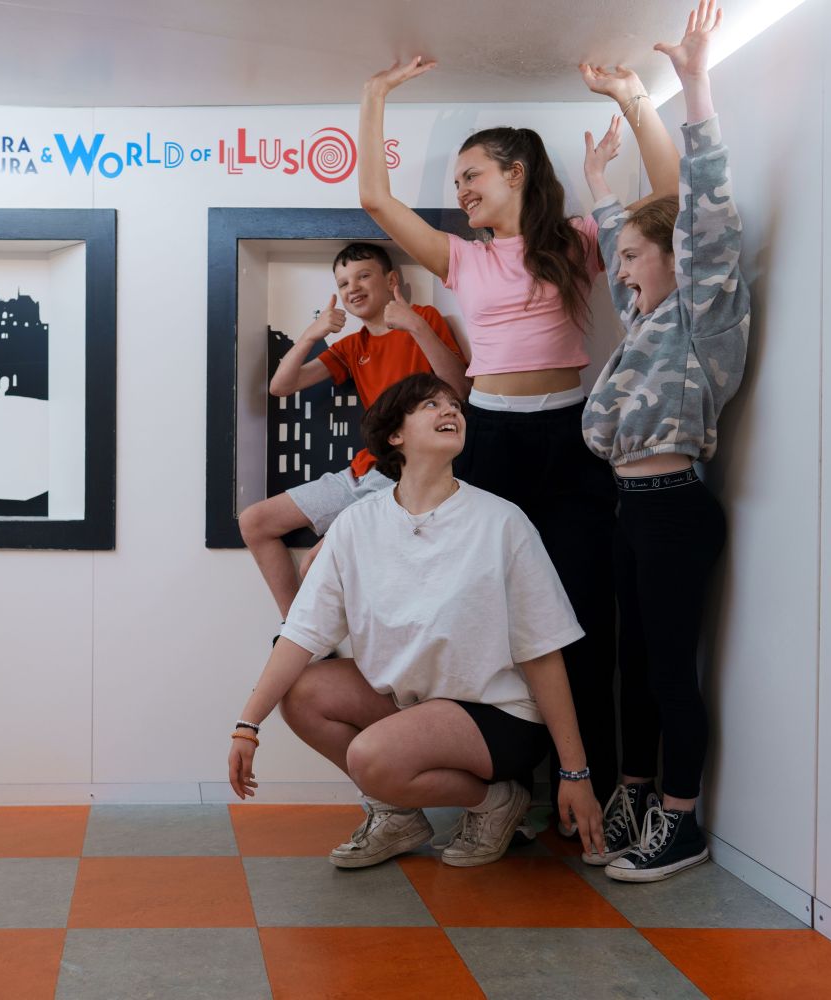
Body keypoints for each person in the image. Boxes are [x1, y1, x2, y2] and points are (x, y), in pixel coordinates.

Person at [355, 51, 681, 819]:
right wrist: (375, 92)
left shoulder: (577, 240)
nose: (461, 190)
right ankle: (513, 791)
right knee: (486, 620)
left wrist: (632, 96)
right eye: (456, 180)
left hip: (571, 442)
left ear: (517, 173)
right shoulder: (461, 257)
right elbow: (374, 198)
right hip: (492, 444)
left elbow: (670, 198)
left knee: (584, 621)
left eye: (472, 174)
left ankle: (593, 792)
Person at [228, 373, 606, 869]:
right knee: (301, 693)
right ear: (394, 435)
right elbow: (302, 633)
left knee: (371, 756)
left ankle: (497, 802)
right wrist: (247, 725)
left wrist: (575, 772)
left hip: (499, 713)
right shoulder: (357, 524)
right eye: (431, 404)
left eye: (455, 405)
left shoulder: (501, 521)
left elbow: (543, 651)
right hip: (414, 706)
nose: (450, 410)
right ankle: (397, 816)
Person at [578, 0, 747, 882]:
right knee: (633, 668)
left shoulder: (701, 314)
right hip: (631, 510)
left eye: (639, 258)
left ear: (678, 262)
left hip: (675, 508)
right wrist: (599, 188)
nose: (625, 273)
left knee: (671, 672)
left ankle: (681, 823)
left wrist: (693, 84)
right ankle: (638, 794)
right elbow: (626, 255)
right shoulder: (648, 320)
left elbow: (706, 211)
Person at [240, 243, 468, 621]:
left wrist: (414, 325)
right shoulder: (351, 346)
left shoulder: (424, 318)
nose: (353, 288)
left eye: (363, 276)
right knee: (254, 522)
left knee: (315, 566)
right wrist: (311, 335)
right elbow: (281, 386)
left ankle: (307, 639)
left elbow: (459, 389)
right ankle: (295, 631)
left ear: (391, 281)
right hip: (363, 471)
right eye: (343, 283)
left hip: (403, 475)